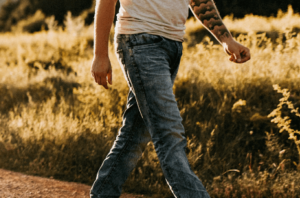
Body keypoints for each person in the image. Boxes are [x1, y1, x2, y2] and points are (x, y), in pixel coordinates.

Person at [89, 0, 251, 197]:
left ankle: (102, 193)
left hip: (172, 45)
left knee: (135, 133)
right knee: (169, 133)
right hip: (140, 41)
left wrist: (227, 39)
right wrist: (99, 54)